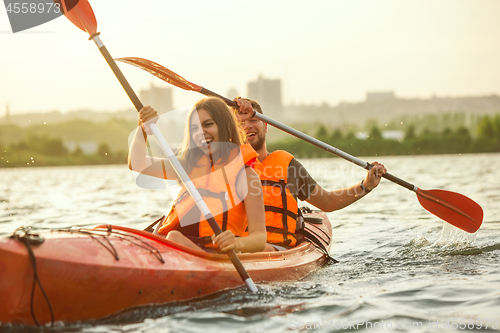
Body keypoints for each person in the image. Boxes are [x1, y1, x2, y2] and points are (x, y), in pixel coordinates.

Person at [233, 97, 387, 251]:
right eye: (240, 123)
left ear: (265, 126)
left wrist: (366, 186)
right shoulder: (226, 166)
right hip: (239, 248)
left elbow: (327, 201)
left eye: (253, 120)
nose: (247, 126)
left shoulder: (288, 167)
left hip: (278, 250)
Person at [128, 97, 266, 253]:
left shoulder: (246, 176)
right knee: (170, 237)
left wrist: (236, 243)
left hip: (212, 255)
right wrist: (142, 129)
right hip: (171, 247)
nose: (201, 132)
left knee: (174, 237)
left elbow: (259, 238)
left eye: (208, 124)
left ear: (225, 126)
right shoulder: (185, 167)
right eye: (194, 128)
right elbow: (137, 163)